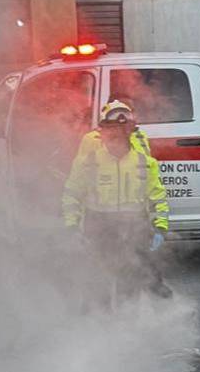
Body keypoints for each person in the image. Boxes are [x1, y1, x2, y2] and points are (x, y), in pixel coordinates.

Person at [62, 100, 172, 298]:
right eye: (112, 131)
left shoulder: (144, 162)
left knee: (131, 278)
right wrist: (72, 226)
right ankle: (97, 315)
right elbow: (72, 194)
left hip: (134, 224)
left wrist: (160, 227)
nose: (116, 136)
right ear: (103, 132)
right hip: (100, 224)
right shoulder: (89, 162)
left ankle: (130, 313)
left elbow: (157, 197)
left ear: (130, 132)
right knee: (99, 281)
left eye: (122, 131)